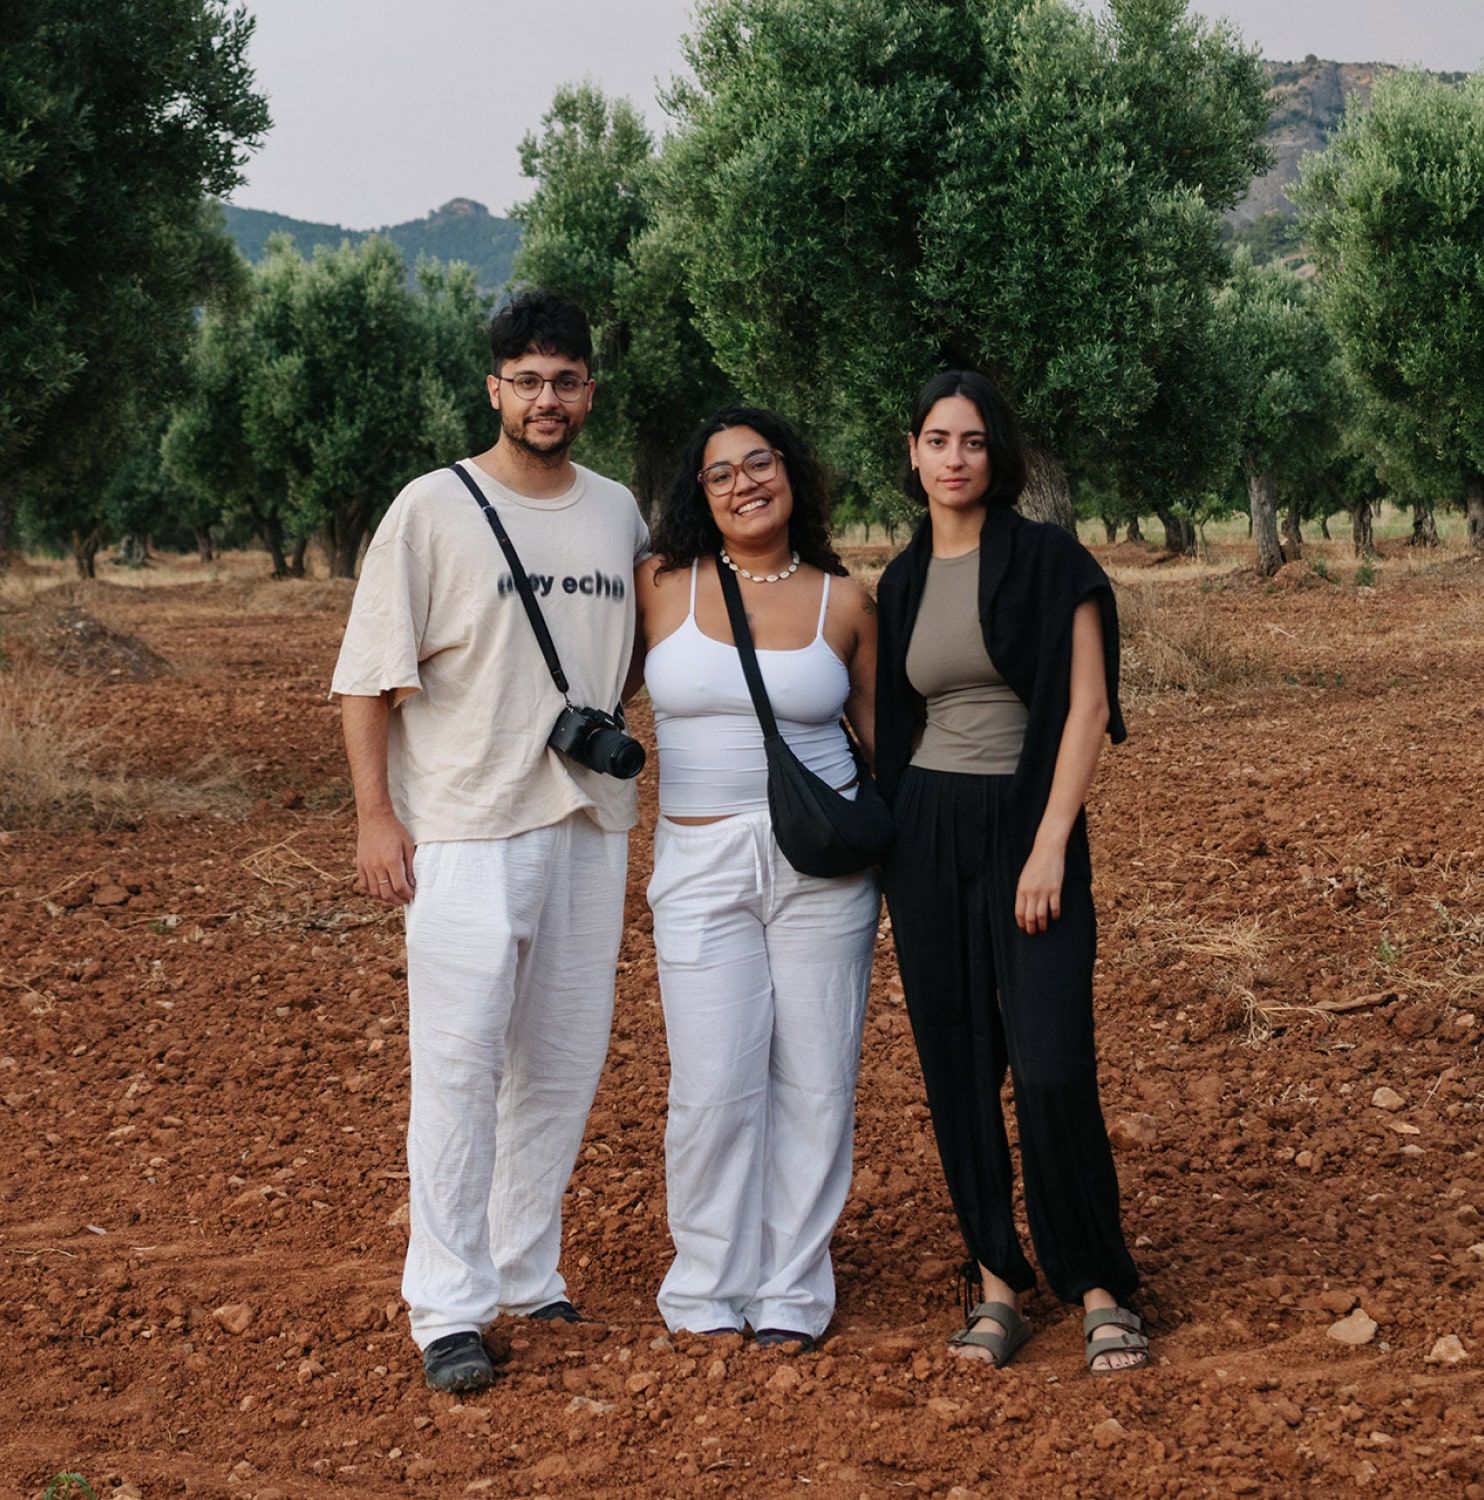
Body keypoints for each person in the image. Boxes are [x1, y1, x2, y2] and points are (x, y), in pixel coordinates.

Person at [331, 290, 650, 1393]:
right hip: (463, 829)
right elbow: (369, 679)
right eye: (527, 379)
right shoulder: (431, 508)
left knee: (559, 1067)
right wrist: (378, 819)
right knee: (460, 1071)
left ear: (587, 391)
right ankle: (447, 1306)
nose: (546, 398)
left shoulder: (618, 513)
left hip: (587, 827)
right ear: (494, 389)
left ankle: (526, 1267)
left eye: (565, 380)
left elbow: (636, 653)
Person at [874, 370, 1148, 1375]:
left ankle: (1096, 1282)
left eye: (973, 442)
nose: (954, 458)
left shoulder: (1048, 562)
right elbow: (888, 725)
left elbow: (1082, 710)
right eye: (937, 439)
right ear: (911, 455)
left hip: (1026, 830)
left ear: (999, 457)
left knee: (1048, 1063)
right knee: (957, 1067)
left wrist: (1046, 843)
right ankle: (995, 1280)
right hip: (925, 834)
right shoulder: (898, 582)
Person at [632, 408, 880, 1349]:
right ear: (699, 494)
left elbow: (882, 743)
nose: (744, 484)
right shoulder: (659, 586)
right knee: (712, 1085)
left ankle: (791, 1294)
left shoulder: (844, 601)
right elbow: (587, 686)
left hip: (820, 870)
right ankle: (704, 1289)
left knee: (817, 1083)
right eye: (721, 473)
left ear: (791, 472)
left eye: (759, 464)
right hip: (699, 864)